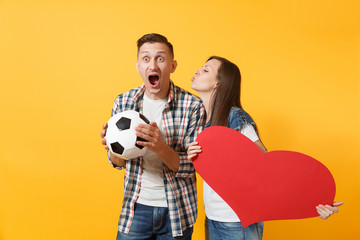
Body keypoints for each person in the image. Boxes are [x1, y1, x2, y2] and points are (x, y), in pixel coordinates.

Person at [187, 56, 343, 240]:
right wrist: (194, 155)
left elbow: (267, 167)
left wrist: (315, 201)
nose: (197, 71)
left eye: (206, 70)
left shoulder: (235, 117)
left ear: (219, 84)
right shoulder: (203, 120)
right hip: (213, 217)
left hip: (238, 222)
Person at [100, 33, 205, 239]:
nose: (153, 65)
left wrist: (160, 146)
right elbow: (118, 162)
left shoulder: (193, 106)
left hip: (177, 210)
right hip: (136, 207)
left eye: (160, 58)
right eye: (146, 58)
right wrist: (111, 147)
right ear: (138, 66)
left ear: (172, 66)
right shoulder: (123, 102)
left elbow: (193, 166)